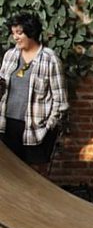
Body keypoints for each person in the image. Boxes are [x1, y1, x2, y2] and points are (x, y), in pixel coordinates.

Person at [0, 12, 68, 176]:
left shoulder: (50, 59)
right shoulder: (10, 55)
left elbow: (61, 101)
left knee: (36, 178)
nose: (15, 37)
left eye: (19, 33)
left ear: (31, 32)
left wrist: (48, 127)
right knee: (10, 176)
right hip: (7, 127)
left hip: (36, 130)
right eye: (13, 32)